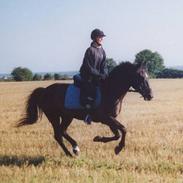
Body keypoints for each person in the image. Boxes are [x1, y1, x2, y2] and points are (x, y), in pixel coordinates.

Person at [79, 28, 108, 124]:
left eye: (102, 37)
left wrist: (104, 74)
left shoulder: (102, 51)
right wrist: (98, 75)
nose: (101, 38)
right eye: (100, 37)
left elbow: (104, 65)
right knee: (91, 90)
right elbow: (88, 67)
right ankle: (87, 115)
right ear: (94, 38)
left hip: (98, 76)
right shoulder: (89, 50)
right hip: (88, 76)